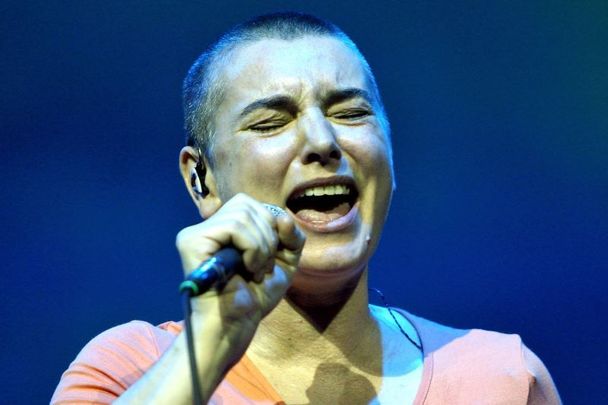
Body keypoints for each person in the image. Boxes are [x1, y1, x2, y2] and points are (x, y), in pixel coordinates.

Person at [52, 12, 561, 404]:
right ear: (200, 180)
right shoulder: (130, 370)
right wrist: (205, 352)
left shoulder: (499, 377)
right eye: (271, 122)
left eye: (351, 112)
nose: (323, 141)